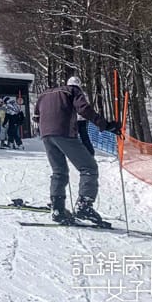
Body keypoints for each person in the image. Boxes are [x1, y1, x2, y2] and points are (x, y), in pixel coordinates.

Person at [33, 76, 121, 225]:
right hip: (63, 132)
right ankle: (84, 206)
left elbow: (36, 117)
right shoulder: (73, 91)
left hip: (46, 134)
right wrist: (105, 125)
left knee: (59, 171)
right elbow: (84, 109)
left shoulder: (44, 94)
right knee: (89, 167)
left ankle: (57, 209)